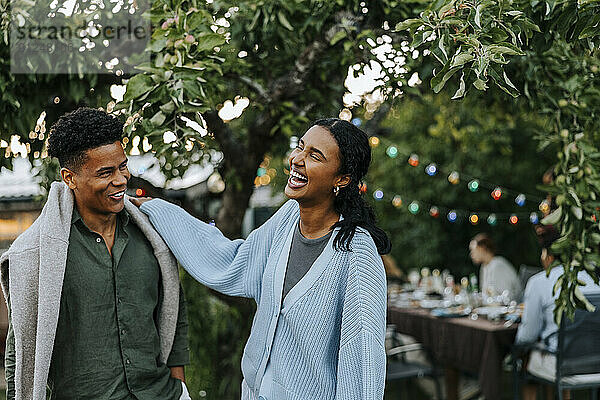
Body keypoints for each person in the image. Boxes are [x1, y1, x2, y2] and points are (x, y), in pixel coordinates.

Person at [132, 118, 392, 400]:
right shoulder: (287, 218)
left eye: (315, 156)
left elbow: (363, 361)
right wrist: (161, 212)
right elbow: (235, 261)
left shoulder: (357, 254)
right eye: (300, 147)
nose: (297, 160)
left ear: (342, 179)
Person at [0, 108, 190, 400]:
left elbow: (174, 313)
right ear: (70, 178)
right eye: (105, 172)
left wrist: (180, 387)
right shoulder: (36, 254)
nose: (121, 180)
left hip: (161, 393)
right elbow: (21, 349)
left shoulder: (152, 235)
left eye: (122, 167)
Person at [516, 225, 600, 400]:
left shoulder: (539, 282)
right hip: (595, 363)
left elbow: (527, 336)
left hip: (562, 364)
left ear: (548, 254)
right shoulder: (595, 280)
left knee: (525, 360)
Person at [469, 233, 521, 300]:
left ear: (482, 248)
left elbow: (507, 296)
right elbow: (485, 295)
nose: (471, 254)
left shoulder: (498, 265)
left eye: (473, 250)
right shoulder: (484, 267)